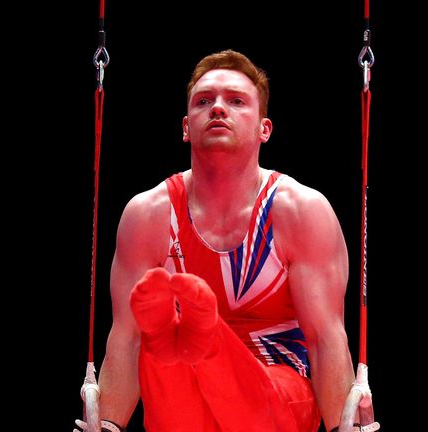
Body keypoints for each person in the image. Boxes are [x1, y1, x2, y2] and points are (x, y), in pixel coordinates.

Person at [74, 49, 378, 432]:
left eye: (236, 101)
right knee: (166, 369)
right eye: (204, 101)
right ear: (186, 127)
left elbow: (324, 339)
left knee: (210, 373)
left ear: (264, 129)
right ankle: (190, 338)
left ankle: (205, 335)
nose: (218, 108)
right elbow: (127, 339)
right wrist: (105, 425)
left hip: (278, 389)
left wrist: (343, 427)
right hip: (187, 389)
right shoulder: (147, 214)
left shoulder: (300, 211)